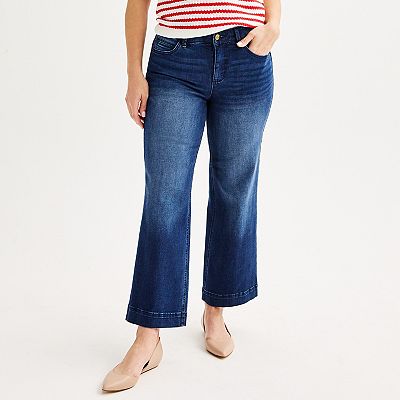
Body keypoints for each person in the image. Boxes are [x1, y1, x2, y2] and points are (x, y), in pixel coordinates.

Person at [102, 0, 281, 392]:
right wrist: (134, 72)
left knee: (234, 190)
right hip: (176, 61)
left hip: (246, 56)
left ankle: (215, 310)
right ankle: (148, 337)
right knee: (164, 198)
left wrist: (274, 24)